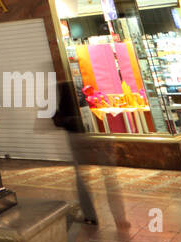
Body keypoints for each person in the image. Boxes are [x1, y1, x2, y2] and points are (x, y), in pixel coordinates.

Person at [52, 78, 127, 229]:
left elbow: (58, 118)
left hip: (78, 138)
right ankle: (119, 218)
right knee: (108, 178)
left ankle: (91, 216)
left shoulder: (64, 88)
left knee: (83, 179)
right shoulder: (78, 87)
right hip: (94, 137)